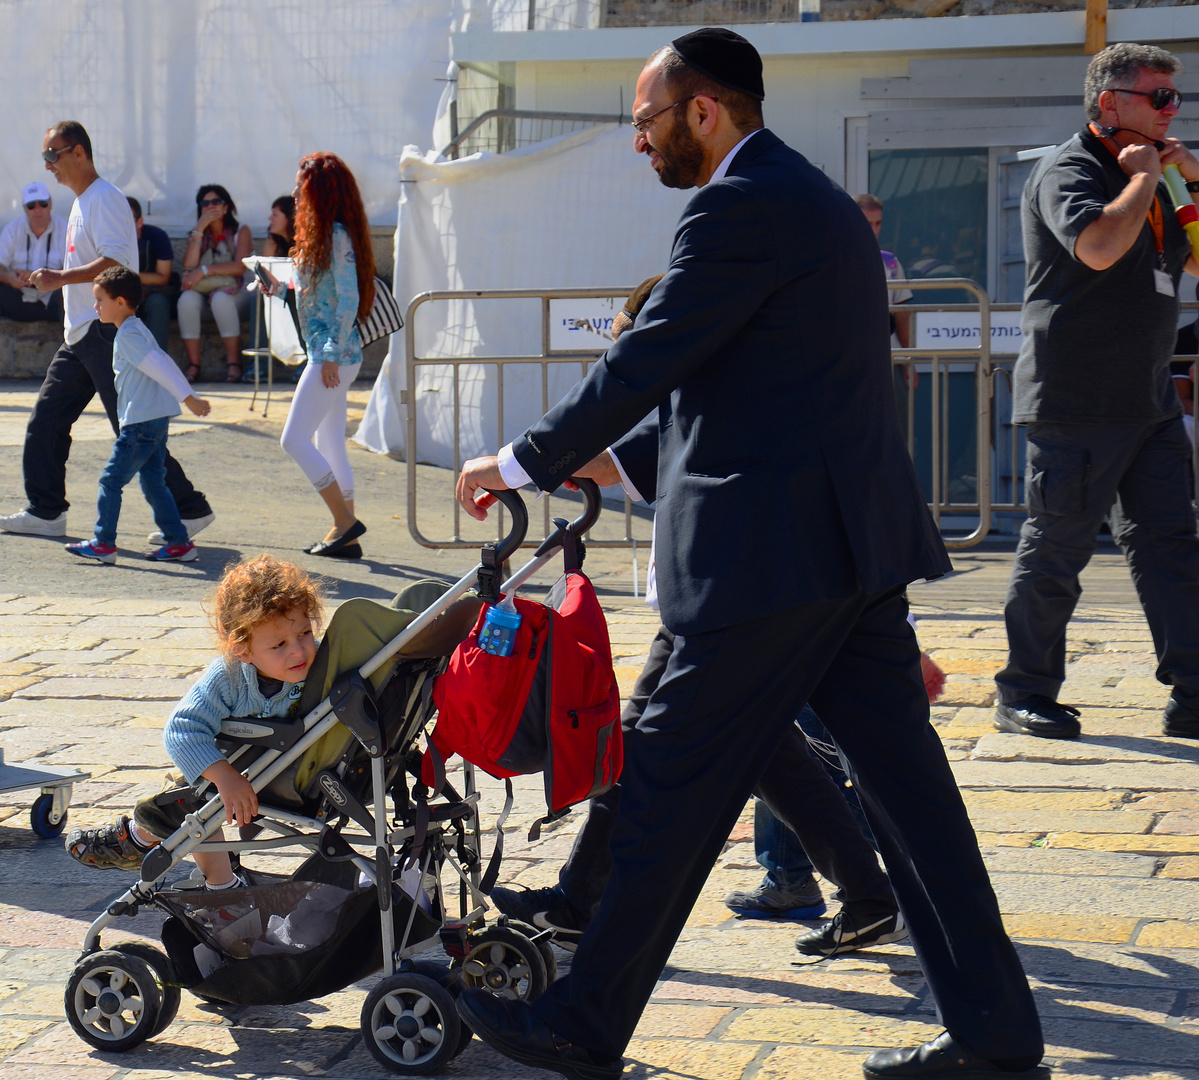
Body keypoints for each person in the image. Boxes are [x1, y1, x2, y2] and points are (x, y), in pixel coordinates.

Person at [452, 28, 1043, 1080]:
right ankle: (997, 1039)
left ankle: (579, 1026)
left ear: (702, 111)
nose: (639, 145)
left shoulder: (736, 207)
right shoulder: (806, 198)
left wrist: (523, 459)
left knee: (666, 789)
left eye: (644, 121)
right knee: (914, 808)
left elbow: (650, 357)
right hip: (843, 550)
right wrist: (608, 470)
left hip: (770, 563)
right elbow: (732, 389)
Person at [491, 277, 907, 955]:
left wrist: (509, 469)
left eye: (625, 337)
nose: (621, 356)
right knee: (774, 753)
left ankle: (577, 903)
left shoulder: (707, 382)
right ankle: (867, 895)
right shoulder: (722, 377)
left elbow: (617, 456)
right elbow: (625, 461)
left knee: (631, 742)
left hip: (725, 600)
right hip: (737, 596)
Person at [995, 42, 1199, 743]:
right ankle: (1023, 691)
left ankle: (1192, 692)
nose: (1172, 112)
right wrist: (1142, 179)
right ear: (1109, 102)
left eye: (1176, 100)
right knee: (1056, 549)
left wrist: (1190, 184)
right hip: (1075, 397)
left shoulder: (1165, 178)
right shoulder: (1069, 168)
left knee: (1170, 543)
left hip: (1146, 398)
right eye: (1159, 98)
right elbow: (1097, 248)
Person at [0, 121, 213, 542]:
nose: (48, 166)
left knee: (134, 430)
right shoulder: (82, 202)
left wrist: (60, 278)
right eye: (45, 157)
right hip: (81, 335)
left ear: (78, 152)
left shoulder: (106, 199)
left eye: (52, 155)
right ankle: (45, 512)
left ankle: (188, 510)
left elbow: (118, 265)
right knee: (46, 422)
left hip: (104, 334)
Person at [65, 553, 322, 889]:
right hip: (231, 773)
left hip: (283, 773)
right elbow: (182, 730)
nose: (299, 651)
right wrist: (225, 777)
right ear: (242, 650)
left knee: (191, 800)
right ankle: (204, 873)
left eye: (304, 633)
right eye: (280, 644)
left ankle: (144, 837)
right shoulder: (230, 676)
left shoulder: (324, 664)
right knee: (191, 796)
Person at [265, 153, 374, 559]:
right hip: (333, 353)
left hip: (335, 355)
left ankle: (345, 521)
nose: (295, 193)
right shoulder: (326, 234)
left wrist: (328, 354)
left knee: (293, 439)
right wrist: (278, 290)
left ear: (319, 191)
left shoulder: (338, 236)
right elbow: (318, 296)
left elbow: (349, 298)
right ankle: (347, 532)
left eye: (301, 186)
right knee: (330, 441)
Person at [65, 267, 210, 564]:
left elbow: (158, 365)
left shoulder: (129, 336)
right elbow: (165, 361)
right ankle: (178, 543)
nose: (96, 307)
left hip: (140, 423)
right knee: (154, 482)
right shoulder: (138, 328)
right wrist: (189, 396)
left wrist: (189, 398)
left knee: (110, 480)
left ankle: (104, 543)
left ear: (120, 301)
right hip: (154, 420)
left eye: (100, 300)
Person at [177, 184, 254, 383]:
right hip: (205, 294)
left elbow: (239, 267)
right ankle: (194, 365)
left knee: (221, 299)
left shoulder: (240, 231)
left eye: (216, 202)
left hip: (239, 294)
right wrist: (199, 229)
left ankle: (233, 364)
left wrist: (204, 271)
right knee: (186, 299)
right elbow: (188, 266)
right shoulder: (198, 234)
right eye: (205, 204)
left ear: (226, 207)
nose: (211, 207)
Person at [243, 194, 296, 383]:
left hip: (299, 293)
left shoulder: (304, 242)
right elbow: (265, 276)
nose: (269, 219)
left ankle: (306, 365)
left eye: (275, 214)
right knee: (260, 299)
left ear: (289, 218)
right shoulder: (272, 242)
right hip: (278, 294)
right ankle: (258, 367)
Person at [0, 181, 66, 323]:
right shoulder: (12, 230)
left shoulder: (65, 230)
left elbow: (74, 271)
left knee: (71, 293)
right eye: (31, 206)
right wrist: (9, 277)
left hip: (53, 299)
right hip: (19, 297)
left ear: (50, 204)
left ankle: (72, 344)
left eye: (42, 204)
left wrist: (42, 277)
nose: (37, 210)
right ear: (24, 208)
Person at [127, 196, 177, 351]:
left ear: (139, 222)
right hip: (121, 293)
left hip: (150, 292)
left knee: (158, 303)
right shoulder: (106, 239)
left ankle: (158, 361)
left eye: (127, 218)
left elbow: (163, 277)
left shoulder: (157, 237)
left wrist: (129, 274)